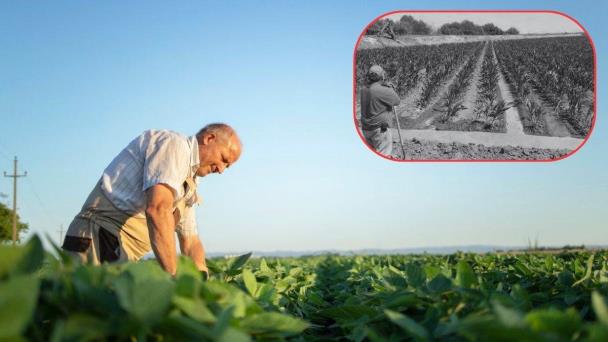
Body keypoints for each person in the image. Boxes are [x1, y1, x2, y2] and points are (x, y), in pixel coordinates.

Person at [62, 123, 242, 276]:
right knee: (83, 314)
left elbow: (191, 242)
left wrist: (201, 281)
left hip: (119, 251)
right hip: (98, 237)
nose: (222, 170)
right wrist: (174, 276)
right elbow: (158, 210)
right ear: (209, 138)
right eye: (223, 159)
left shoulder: (189, 181)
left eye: (228, 166)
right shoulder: (175, 146)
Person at [360, 65, 400, 156]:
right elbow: (397, 101)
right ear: (382, 76)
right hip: (380, 130)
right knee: (383, 155)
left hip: (366, 128)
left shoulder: (364, 89)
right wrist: (389, 88)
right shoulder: (383, 90)